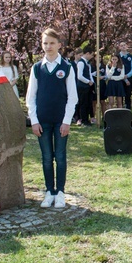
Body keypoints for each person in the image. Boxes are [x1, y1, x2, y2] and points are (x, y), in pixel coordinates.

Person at [26, 28, 79, 208]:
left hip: (60, 121)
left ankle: (61, 192)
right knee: (47, 157)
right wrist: (34, 120)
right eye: (45, 43)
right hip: (42, 121)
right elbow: (31, 97)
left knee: (61, 157)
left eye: (52, 43)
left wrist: (66, 121)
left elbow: (72, 97)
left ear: (59, 45)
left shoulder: (67, 67)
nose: (48, 46)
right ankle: (49, 191)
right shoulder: (37, 68)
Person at [75, 47, 95, 126]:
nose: (92, 57)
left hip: (88, 87)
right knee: (83, 103)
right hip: (82, 87)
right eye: (91, 55)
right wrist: (88, 81)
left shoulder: (87, 64)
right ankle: (83, 120)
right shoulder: (81, 63)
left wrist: (92, 82)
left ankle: (87, 119)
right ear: (87, 53)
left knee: (88, 103)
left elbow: (89, 74)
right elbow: (79, 76)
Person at [118, 42, 132, 109]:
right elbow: (116, 68)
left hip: (129, 78)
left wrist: (127, 76)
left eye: (124, 45)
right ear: (119, 47)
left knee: (128, 95)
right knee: (120, 96)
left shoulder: (131, 56)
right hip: (119, 79)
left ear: (127, 46)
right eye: (121, 45)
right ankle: (120, 111)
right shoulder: (117, 56)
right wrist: (123, 77)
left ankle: (128, 111)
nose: (123, 46)